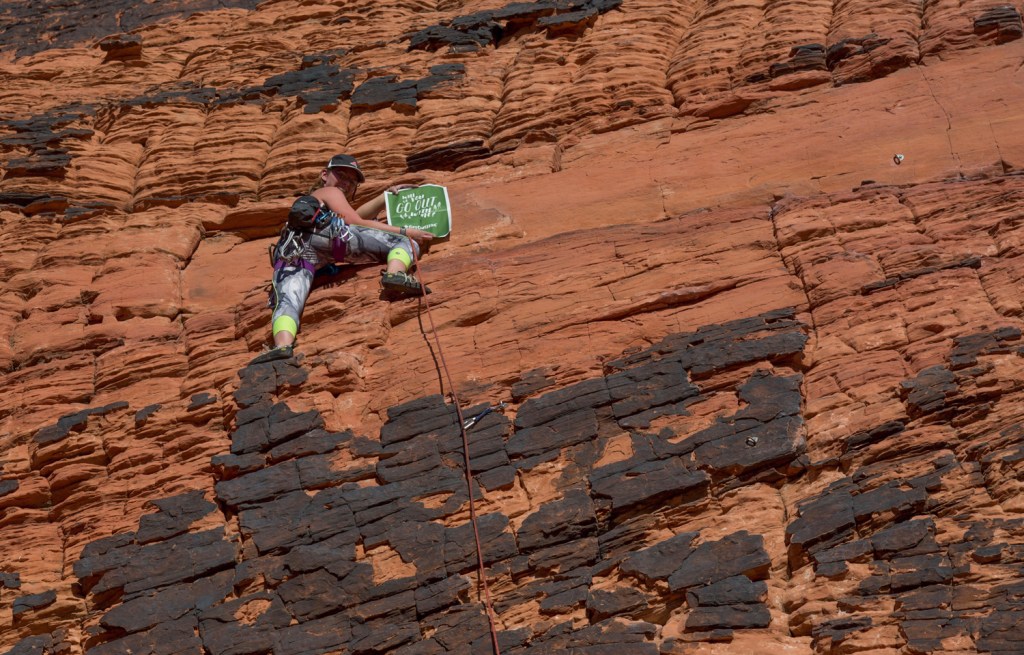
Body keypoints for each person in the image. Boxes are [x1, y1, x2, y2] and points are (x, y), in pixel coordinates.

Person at [250, 154, 435, 365]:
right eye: (341, 175)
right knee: (406, 242)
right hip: (330, 239)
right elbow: (355, 222)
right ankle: (395, 273)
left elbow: (355, 216)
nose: (346, 182)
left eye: (352, 180)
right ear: (324, 175)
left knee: (289, 298)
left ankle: (283, 345)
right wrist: (405, 231)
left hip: (294, 252)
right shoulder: (330, 191)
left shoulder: (317, 200)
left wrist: (385, 198)